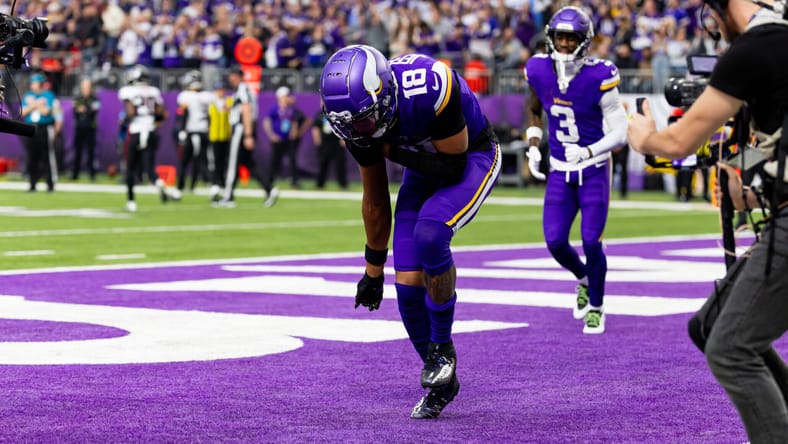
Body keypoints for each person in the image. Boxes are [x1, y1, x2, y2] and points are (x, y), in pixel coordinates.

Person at [627, 1, 788, 441]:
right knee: (710, 325)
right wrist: (740, 162)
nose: (716, 33)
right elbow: (745, 189)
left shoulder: (756, 49)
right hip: (779, 212)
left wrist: (643, 137)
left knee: (731, 349)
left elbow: (676, 142)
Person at [320, 44, 502, 419]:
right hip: (421, 167)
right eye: (352, 125)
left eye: (365, 122)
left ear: (384, 95)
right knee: (406, 285)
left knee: (431, 234)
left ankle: (442, 348)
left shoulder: (432, 86)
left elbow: (451, 167)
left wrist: (388, 148)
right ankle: (442, 378)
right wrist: (373, 269)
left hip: (471, 156)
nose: (359, 131)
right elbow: (375, 197)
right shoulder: (360, 117)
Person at [523, 6, 628, 334]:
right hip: (559, 169)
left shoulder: (600, 75)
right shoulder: (538, 69)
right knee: (554, 241)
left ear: (584, 41)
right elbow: (534, 107)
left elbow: (620, 133)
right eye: (560, 37)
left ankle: (596, 305)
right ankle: (584, 278)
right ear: (551, 38)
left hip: (593, 168)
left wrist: (587, 150)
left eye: (572, 38)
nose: (565, 44)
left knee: (591, 240)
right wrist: (533, 142)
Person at [216, 67, 279, 208]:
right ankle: (269, 189)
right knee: (248, 164)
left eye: (232, 75)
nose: (230, 79)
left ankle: (228, 196)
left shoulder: (243, 89)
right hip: (244, 129)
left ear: (238, 76)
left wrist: (248, 134)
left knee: (232, 164)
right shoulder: (241, 90)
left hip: (241, 130)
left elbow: (247, 109)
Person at [117, 64, 176, 212]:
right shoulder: (153, 91)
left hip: (136, 131)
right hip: (150, 131)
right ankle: (159, 182)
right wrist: (154, 123)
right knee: (150, 169)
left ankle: (131, 201)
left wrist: (123, 122)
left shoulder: (127, 91)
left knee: (130, 168)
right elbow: (163, 113)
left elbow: (130, 112)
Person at [174, 70, 215, 198]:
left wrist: (182, 130)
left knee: (185, 161)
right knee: (203, 161)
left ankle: (179, 188)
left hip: (191, 132)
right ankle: (213, 186)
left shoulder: (186, 96)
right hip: (204, 132)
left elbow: (184, 114)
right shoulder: (207, 96)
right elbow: (210, 116)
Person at [263, 86, 306, 189]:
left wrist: (294, 132)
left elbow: (294, 121)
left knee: (293, 160)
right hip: (277, 139)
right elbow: (267, 122)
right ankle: (269, 181)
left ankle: (295, 181)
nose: (287, 98)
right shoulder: (275, 108)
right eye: (285, 96)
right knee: (274, 161)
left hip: (288, 139)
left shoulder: (290, 109)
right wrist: (271, 135)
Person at [21, 72, 57, 192]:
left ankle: (50, 183)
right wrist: (36, 104)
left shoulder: (48, 95)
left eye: (34, 82)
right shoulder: (28, 95)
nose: (32, 85)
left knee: (46, 156)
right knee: (32, 157)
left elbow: (46, 111)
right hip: (31, 128)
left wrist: (33, 104)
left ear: (40, 84)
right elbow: (23, 112)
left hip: (44, 128)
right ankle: (32, 183)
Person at [312, 104, 348, 190]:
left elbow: (344, 126)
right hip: (325, 143)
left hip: (337, 142)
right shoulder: (320, 114)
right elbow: (316, 127)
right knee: (322, 163)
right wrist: (317, 140)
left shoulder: (338, 113)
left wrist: (343, 138)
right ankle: (320, 183)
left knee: (340, 164)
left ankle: (342, 183)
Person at [207, 80, 232, 202]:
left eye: (221, 89)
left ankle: (222, 183)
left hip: (226, 136)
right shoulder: (211, 102)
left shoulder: (229, 101)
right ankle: (214, 183)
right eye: (218, 89)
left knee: (225, 162)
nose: (220, 92)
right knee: (215, 162)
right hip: (214, 136)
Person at [71, 77, 100, 181]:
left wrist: (84, 109)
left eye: (87, 87)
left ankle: (92, 174)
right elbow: (75, 109)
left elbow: (94, 110)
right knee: (77, 152)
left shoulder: (94, 98)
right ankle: (75, 174)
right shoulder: (78, 98)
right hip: (79, 127)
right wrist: (86, 108)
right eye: (84, 87)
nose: (86, 89)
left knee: (91, 152)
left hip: (90, 128)